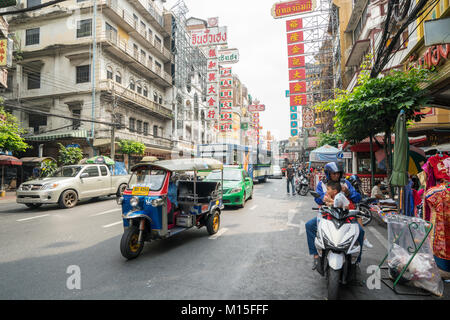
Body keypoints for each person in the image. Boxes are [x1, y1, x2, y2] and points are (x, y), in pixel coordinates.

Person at [306, 162, 367, 271]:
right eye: (333, 174)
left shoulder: (346, 183)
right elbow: (318, 199)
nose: (336, 176)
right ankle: (316, 256)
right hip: (327, 214)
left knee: (360, 232)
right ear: (328, 174)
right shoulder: (322, 184)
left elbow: (358, 198)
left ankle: (356, 262)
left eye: (338, 173)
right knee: (309, 226)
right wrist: (323, 199)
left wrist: (348, 192)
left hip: (346, 215)